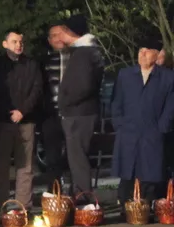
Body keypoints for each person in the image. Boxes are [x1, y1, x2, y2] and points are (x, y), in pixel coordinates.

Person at [111, 34, 174, 206]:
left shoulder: (167, 78)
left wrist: (161, 128)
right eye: (140, 51)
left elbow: (170, 107)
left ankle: (147, 210)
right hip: (128, 133)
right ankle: (125, 210)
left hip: (153, 133)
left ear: (157, 54)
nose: (142, 54)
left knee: (150, 177)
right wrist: (119, 124)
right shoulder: (125, 75)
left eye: (147, 51)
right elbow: (116, 102)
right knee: (127, 176)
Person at [0, 30, 43, 208]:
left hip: (26, 120)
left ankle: (23, 206)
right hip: (2, 121)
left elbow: (37, 89)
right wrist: (7, 112)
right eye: (14, 42)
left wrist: (23, 111)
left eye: (20, 42)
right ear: (5, 44)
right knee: (1, 165)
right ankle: (1, 205)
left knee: (25, 166)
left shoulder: (31, 64)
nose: (18, 45)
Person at [53, 14, 105, 198]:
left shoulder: (83, 53)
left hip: (78, 113)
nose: (60, 37)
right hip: (82, 111)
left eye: (63, 31)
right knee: (77, 156)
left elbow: (84, 85)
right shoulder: (88, 51)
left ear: (70, 32)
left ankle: (83, 195)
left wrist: (64, 102)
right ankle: (80, 192)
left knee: (78, 157)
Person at [40, 26, 68, 190]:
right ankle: (54, 193)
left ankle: (78, 195)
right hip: (51, 115)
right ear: (49, 40)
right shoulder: (44, 61)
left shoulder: (76, 58)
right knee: (52, 157)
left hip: (72, 114)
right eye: (54, 36)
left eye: (61, 35)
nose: (58, 39)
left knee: (74, 157)